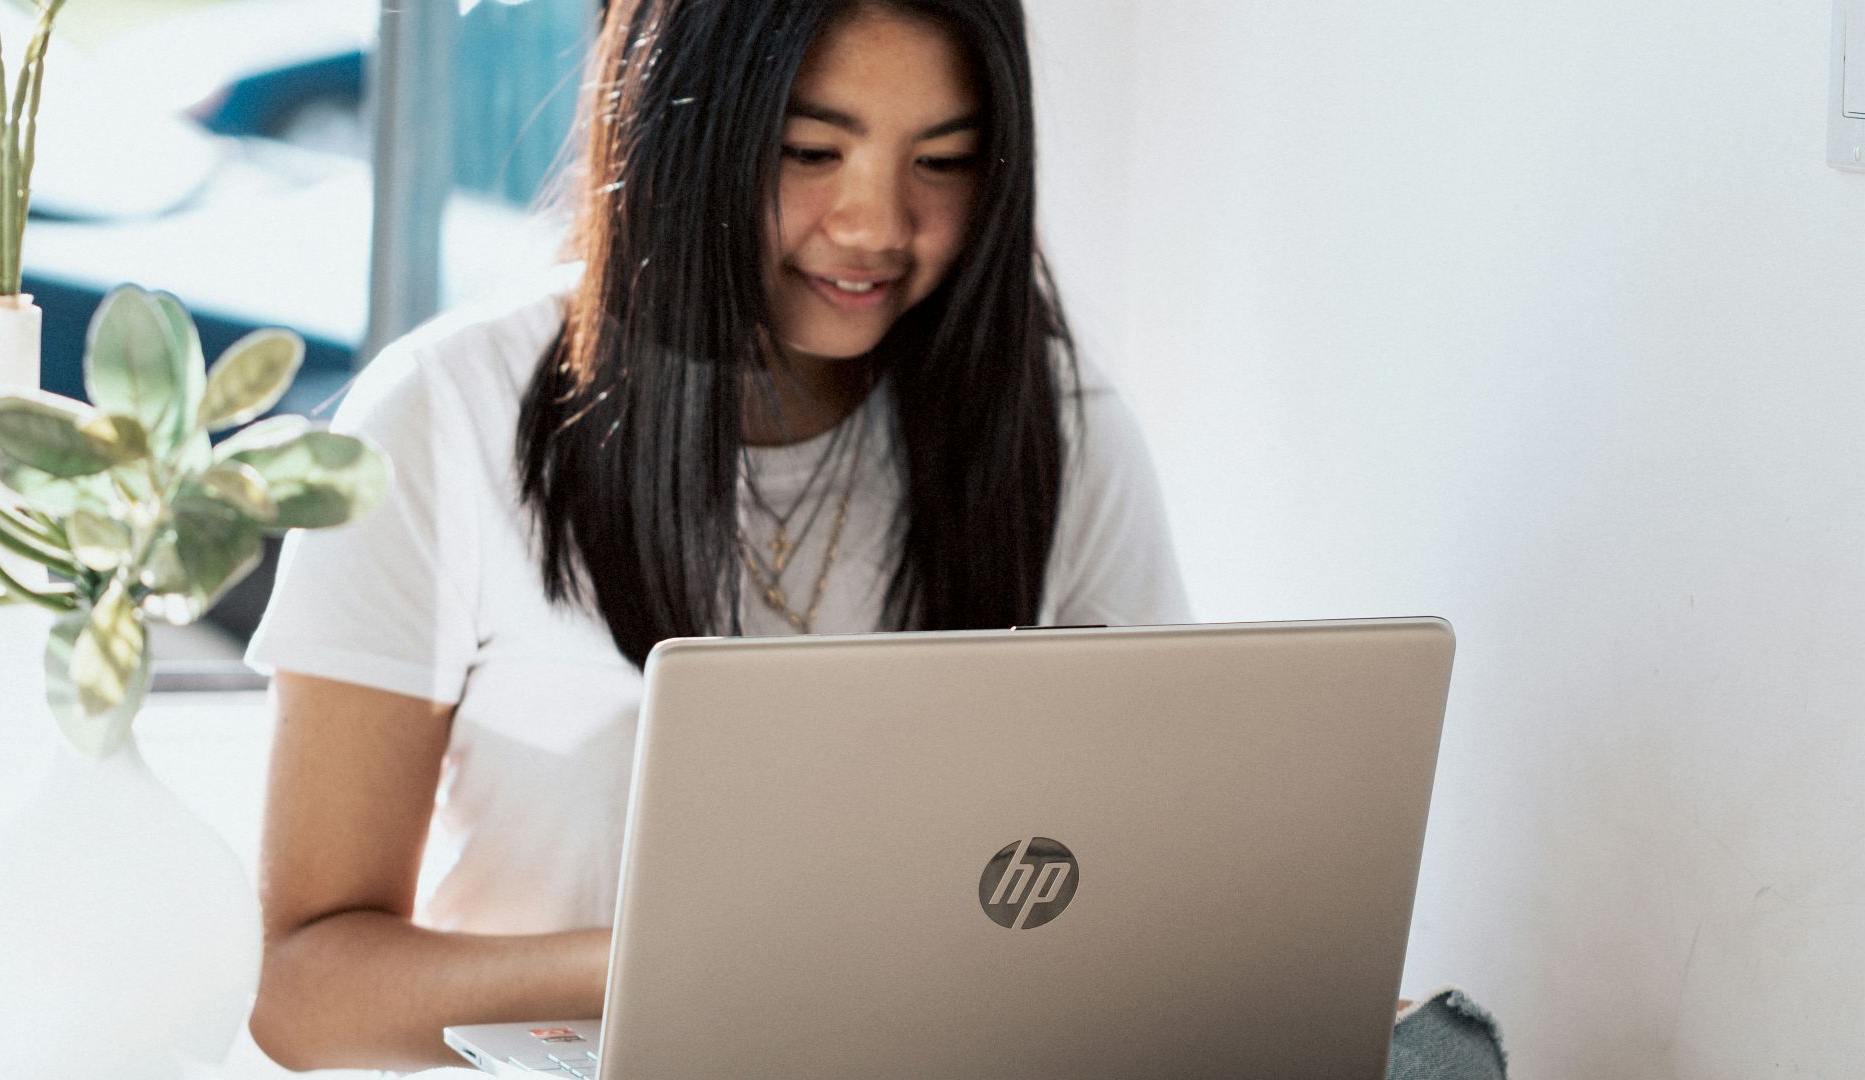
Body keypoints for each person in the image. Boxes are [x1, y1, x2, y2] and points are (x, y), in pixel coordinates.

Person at [245, 1, 1508, 1075]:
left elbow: (1140, 891)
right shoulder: (441, 420)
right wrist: (680, 970)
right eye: (810, 150)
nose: (876, 227)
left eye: (944, 162)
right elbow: (307, 994)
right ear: (680, 135)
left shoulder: (1056, 434)